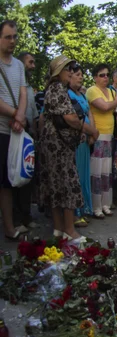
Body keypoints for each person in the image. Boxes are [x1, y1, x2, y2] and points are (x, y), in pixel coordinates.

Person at [38, 55, 99, 243]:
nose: (71, 73)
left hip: (53, 145)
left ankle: (58, 229)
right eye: (68, 69)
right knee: (67, 185)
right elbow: (70, 119)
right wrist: (91, 130)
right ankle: (69, 230)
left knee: (56, 186)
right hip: (59, 147)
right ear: (59, 71)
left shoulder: (54, 89)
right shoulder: (57, 89)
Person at [86, 63, 117, 218]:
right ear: (95, 77)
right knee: (96, 173)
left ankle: (105, 204)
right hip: (97, 136)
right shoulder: (92, 91)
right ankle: (96, 206)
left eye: (106, 74)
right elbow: (105, 107)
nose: (105, 78)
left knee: (106, 173)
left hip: (109, 136)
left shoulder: (110, 92)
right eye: (102, 75)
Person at [0, 21, 28, 240]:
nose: (12, 41)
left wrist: (21, 115)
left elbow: (23, 92)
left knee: (10, 181)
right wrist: (15, 114)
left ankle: (12, 227)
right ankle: (8, 227)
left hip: (15, 130)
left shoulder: (18, 65)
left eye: (15, 37)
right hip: (1, 128)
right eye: (8, 37)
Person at [13, 51, 39, 233]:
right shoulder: (15, 86)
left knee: (28, 176)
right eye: (30, 62)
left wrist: (36, 134)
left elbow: (34, 115)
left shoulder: (29, 89)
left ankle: (26, 215)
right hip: (16, 132)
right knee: (15, 176)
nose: (33, 66)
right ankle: (15, 219)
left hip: (30, 135)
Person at [68, 64, 96, 227]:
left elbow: (89, 113)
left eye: (81, 75)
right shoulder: (67, 94)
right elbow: (74, 118)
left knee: (84, 173)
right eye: (77, 74)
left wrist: (92, 132)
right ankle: (75, 212)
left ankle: (85, 208)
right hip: (75, 139)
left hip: (86, 140)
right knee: (75, 174)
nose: (80, 77)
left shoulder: (82, 95)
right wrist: (90, 130)